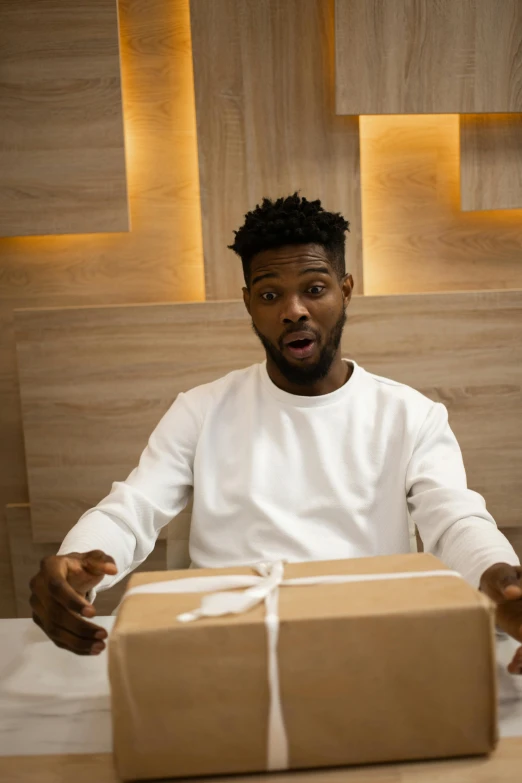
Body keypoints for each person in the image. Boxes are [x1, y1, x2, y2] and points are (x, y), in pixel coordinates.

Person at [29, 194, 522, 671]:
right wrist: (78, 559)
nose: (294, 310)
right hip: (226, 651)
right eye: (270, 295)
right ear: (248, 304)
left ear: (345, 290)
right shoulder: (202, 410)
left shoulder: (411, 414)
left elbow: (455, 520)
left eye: (313, 288)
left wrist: (497, 577)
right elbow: (131, 509)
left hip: (372, 646)